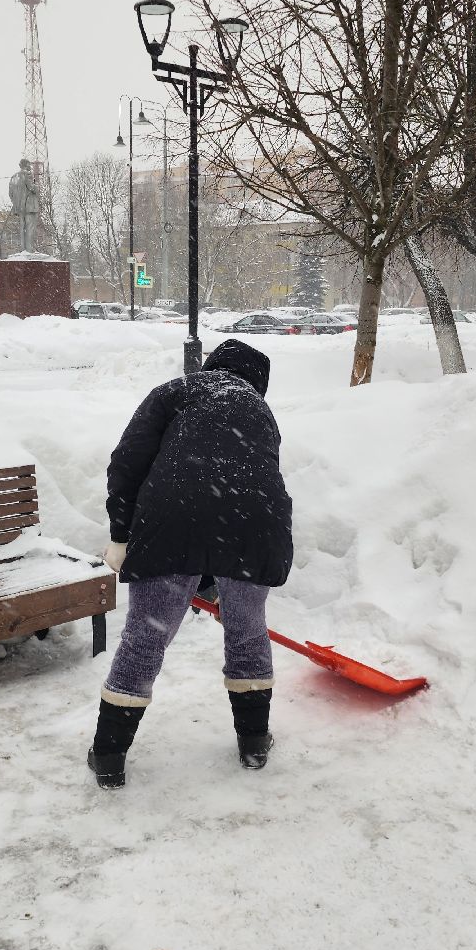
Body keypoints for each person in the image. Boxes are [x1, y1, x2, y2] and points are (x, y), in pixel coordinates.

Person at [88, 338, 294, 789]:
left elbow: (126, 465)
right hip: (255, 527)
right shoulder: (259, 409)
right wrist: (219, 573)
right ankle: (254, 742)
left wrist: (121, 535)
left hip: (172, 521)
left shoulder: (175, 391)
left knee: (145, 638)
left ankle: (109, 755)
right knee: (248, 633)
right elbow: (243, 484)